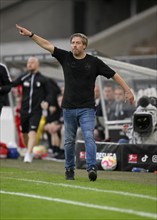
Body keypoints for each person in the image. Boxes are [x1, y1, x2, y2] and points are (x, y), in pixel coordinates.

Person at [15, 24, 134, 181]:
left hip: (87, 109)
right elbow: (47, 45)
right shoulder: (65, 57)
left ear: (84, 46)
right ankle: (69, 169)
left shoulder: (94, 62)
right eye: (72, 43)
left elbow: (114, 75)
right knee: (69, 141)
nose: (74, 45)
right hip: (68, 108)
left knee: (89, 138)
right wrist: (31, 35)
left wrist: (127, 90)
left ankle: (91, 168)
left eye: (78, 43)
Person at [11, 56, 52, 163]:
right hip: (24, 110)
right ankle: (27, 150)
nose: (29, 64)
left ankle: (28, 155)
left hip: (36, 110)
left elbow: (50, 93)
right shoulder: (23, 77)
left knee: (32, 132)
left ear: (37, 64)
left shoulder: (43, 79)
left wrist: (47, 102)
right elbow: (12, 84)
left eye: (32, 62)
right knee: (24, 133)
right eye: (28, 62)